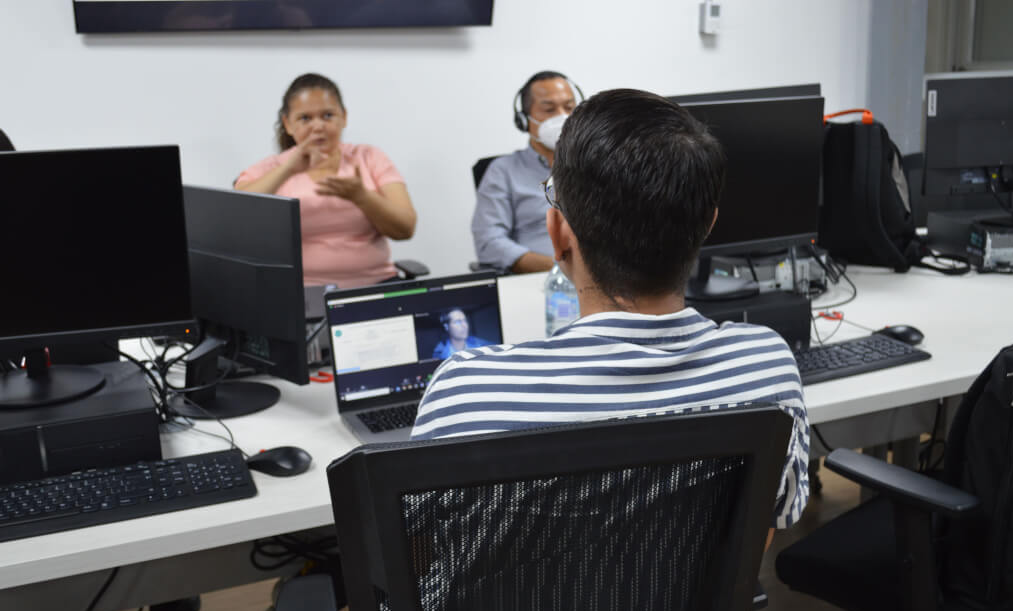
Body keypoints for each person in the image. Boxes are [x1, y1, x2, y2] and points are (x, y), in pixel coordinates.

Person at [414, 89, 809, 536]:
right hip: (691, 609)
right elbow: (766, 527)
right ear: (708, 225)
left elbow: (421, 562)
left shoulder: (466, 392)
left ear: (558, 234)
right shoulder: (766, 365)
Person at [235, 73, 416, 289]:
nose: (318, 126)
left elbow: (405, 228)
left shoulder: (368, 157)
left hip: (375, 286)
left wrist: (362, 197)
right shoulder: (271, 168)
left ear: (344, 117)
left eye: (328, 115)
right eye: (305, 118)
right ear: (288, 124)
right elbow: (238, 218)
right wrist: (288, 169)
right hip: (301, 294)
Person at [470, 71, 582, 274]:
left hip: (606, 284)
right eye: (549, 109)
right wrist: (559, 270)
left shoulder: (596, 165)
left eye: (569, 108)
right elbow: (489, 242)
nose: (562, 117)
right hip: (537, 281)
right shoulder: (503, 171)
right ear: (523, 120)